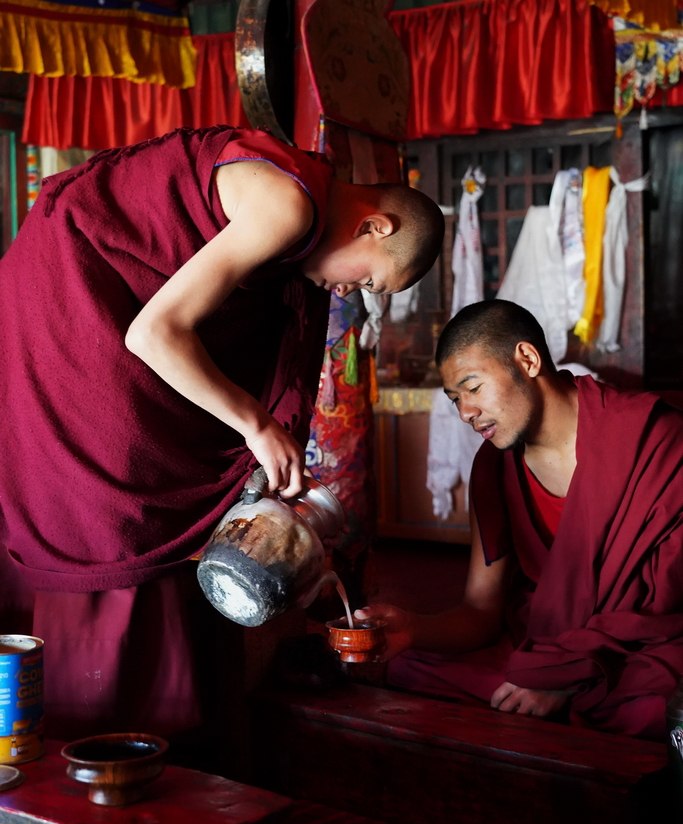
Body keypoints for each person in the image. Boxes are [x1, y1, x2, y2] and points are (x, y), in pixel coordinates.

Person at [0, 124, 444, 743]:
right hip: (74, 288)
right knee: (114, 488)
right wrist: (256, 424)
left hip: (88, 277)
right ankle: (97, 721)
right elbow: (153, 334)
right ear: (376, 227)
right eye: (368, 281)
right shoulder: (288, 206)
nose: (348, 292)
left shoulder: (299, 200)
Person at [357, 299, 683, 740]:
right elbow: (481, 611)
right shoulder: (493, 469)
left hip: (635, 654)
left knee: (654, 708)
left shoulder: (653, 438)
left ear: (527, 360)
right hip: (541, 647)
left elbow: (664, 611)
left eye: (472, 388)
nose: (465, 413)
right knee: (404, 665)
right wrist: (412, 628)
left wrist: (564, 674)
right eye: (454, 399)